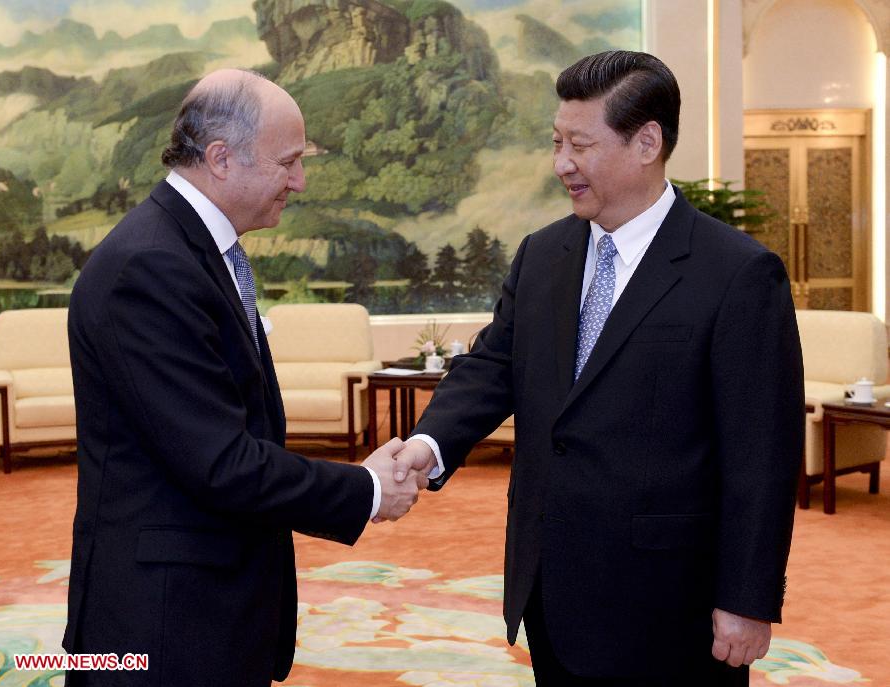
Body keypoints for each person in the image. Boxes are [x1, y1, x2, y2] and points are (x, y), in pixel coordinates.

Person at [391, 51, 804, 685]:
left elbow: (762, 454)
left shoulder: (738, 274)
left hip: (669, 607)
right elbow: (494, 365)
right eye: (557, 143)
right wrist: (428, 442)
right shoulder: (543, 254)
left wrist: (747, 600)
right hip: (550, 590)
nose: (561, 164)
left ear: (646, 143)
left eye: (579, 146)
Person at [63, 69, 424, 687]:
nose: (300, 181)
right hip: (164, 624)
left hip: (204, 603)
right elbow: (221, 462)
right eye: (288, 162)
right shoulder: (151, 266)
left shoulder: (188, 247)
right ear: (221, 159)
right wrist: (363, 490)